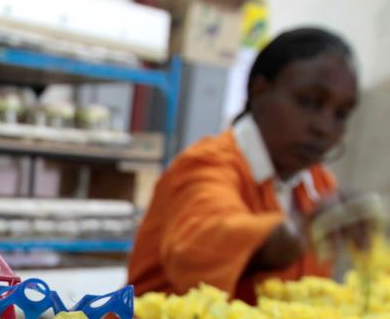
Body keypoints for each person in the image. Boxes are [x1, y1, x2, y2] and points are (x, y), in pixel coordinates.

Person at [128, 27, 360, 302]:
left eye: (341, 114)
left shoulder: (319, 185)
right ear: (259, 91)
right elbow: (200, 243)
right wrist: (291, 233)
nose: (324, 127)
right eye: (308, 101)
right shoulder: (206, 165)